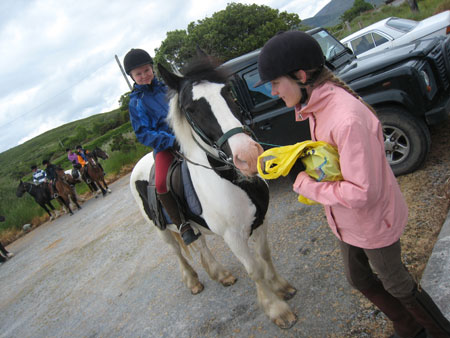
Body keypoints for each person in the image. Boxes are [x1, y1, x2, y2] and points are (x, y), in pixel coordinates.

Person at [255, 31, 450, 338]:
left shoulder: (346, 117)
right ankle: (409, 325)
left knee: (396, 283)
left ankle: (437, 330)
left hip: (373, 220)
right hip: (346, 218)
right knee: (358, 278)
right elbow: (334, 163)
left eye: (276, 82)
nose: (273, 90)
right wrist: (300, 160)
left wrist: (303, 182)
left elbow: (362, 192)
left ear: (301, 75)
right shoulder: (315, 107)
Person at [123, 48, 199, 245]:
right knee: (161, 184)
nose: (144, 75)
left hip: (189, 135)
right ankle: (182, 224)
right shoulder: (136, 102)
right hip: (166, 146)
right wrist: (170, 140)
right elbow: (143, 133)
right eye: (138, 73)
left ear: (152, 68)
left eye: (146, 70)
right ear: (132, 76)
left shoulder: (167, 86)